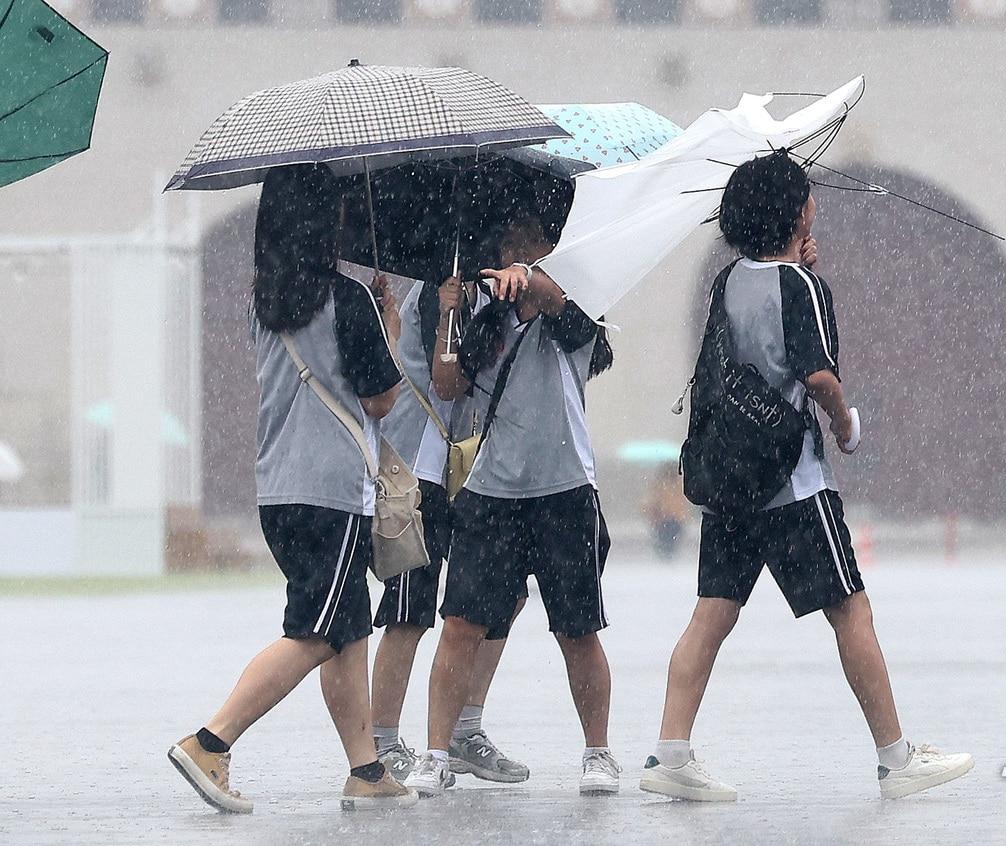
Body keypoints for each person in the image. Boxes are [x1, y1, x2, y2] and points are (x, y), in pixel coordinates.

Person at [640, 151, 974, 802]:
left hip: (733, 481)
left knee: (711, 614)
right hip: (792, 483)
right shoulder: (803, 289)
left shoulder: (729, 280)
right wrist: (847, 424)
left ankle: (669, 753)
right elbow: (817, 376)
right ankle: (895, 757)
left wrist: (794, 274)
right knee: (850, 610)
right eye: (807, 196)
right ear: (797, 212)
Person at [167, 164, 415, 812]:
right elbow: (382, 398)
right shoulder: (347, 299)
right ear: (326, 221)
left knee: (347, 631)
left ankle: (365, 768)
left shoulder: (265, 304)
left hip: (280, 491)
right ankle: (210, 742)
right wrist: (387, 326)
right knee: (314, 632)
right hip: (332, 493)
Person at [403, 200, 620, 798]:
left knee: (578, 630)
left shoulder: (574, 315)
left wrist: (537, 284)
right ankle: (436, 751)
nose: (516, 261)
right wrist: (451, 313)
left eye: (531, 249)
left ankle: (598, 753)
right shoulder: (488, 321)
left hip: (565, 490)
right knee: (460, 625)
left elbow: (576, 326)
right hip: (492, 491)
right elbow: (448, 386)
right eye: (507, 251)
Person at [369, 261, 529, 784]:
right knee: (408, 612)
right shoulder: (432, 295)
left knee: (495, 601)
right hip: (422, 472)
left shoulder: (487, 291)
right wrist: (450, 311)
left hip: (477, 470)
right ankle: (383, 742)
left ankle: (466, 728)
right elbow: (447, 383)